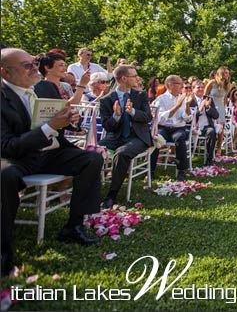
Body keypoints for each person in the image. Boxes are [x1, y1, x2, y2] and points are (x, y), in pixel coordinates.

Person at [1, 48, 103, 276]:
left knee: (92, 159)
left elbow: (48, 123)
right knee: (5, 175)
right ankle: (3, 249)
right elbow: (7, 146)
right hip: (18, 157)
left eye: (34, 64)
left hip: (47, 153)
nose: (34, 68)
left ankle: (74, 225)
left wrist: (69, 121)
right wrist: (51, 127)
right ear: (5, 72)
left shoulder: (34, 91)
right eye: (27, 65)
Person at [98, 65, 153, 209]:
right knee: (92, 150)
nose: (137, 78)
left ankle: (112, 194)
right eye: (134, 76)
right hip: (115, 136)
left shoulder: (140, 95)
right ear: (124, 78)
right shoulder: (106, 100)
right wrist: (116, 116)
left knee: (121, 153)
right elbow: (107, 127)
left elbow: (147, 117)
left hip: (137, 137)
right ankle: (88, 190)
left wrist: (133, 111)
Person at [150, 75, 194, 181]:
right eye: (180, 84)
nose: (182, 86)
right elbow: (160, 118)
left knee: (179, 138)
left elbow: (187, 118)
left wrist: (187, 106)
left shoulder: (183, 98)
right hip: (163, 127)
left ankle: (181, 170)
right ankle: (150, 170)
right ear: (171, 85)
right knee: (156, 138)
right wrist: (177, 106)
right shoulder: (161, 99)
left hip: (178, 128)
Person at [189, 81, 220, 166]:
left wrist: (208, 107)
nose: (201, 89)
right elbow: (189, 117)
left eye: (202, 87)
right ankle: (188, 157)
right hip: (193, 127)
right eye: (198, 87)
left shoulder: (208, 99)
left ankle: (209, 159)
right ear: (193, 89)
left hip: (206, 126)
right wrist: (201, 107)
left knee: (212, 132)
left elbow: (216, 116)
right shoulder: (190, 100)